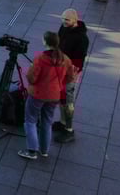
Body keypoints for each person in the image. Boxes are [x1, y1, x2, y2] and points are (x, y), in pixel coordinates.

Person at [18, 32, 76, 160]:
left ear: (45, 42)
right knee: (47, 122)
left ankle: (32, 151)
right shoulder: (65, 59)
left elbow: (32, 78)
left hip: (37, 95)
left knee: (30, 121)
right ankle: (44, 151)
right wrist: (59, 84)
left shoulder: (40, 59)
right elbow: (71, 77)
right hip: (54, 96)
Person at [56, 9, 89, 143]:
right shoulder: (64, 28)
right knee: (61, 97)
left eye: (67, 19)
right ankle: (63, 122)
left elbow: (78, 60)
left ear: (75, 20)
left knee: (68, 99)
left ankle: (69, 129)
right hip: (61, 68)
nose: (64, 21)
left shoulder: (82, 38)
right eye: (62, 18)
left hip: (71, 72)